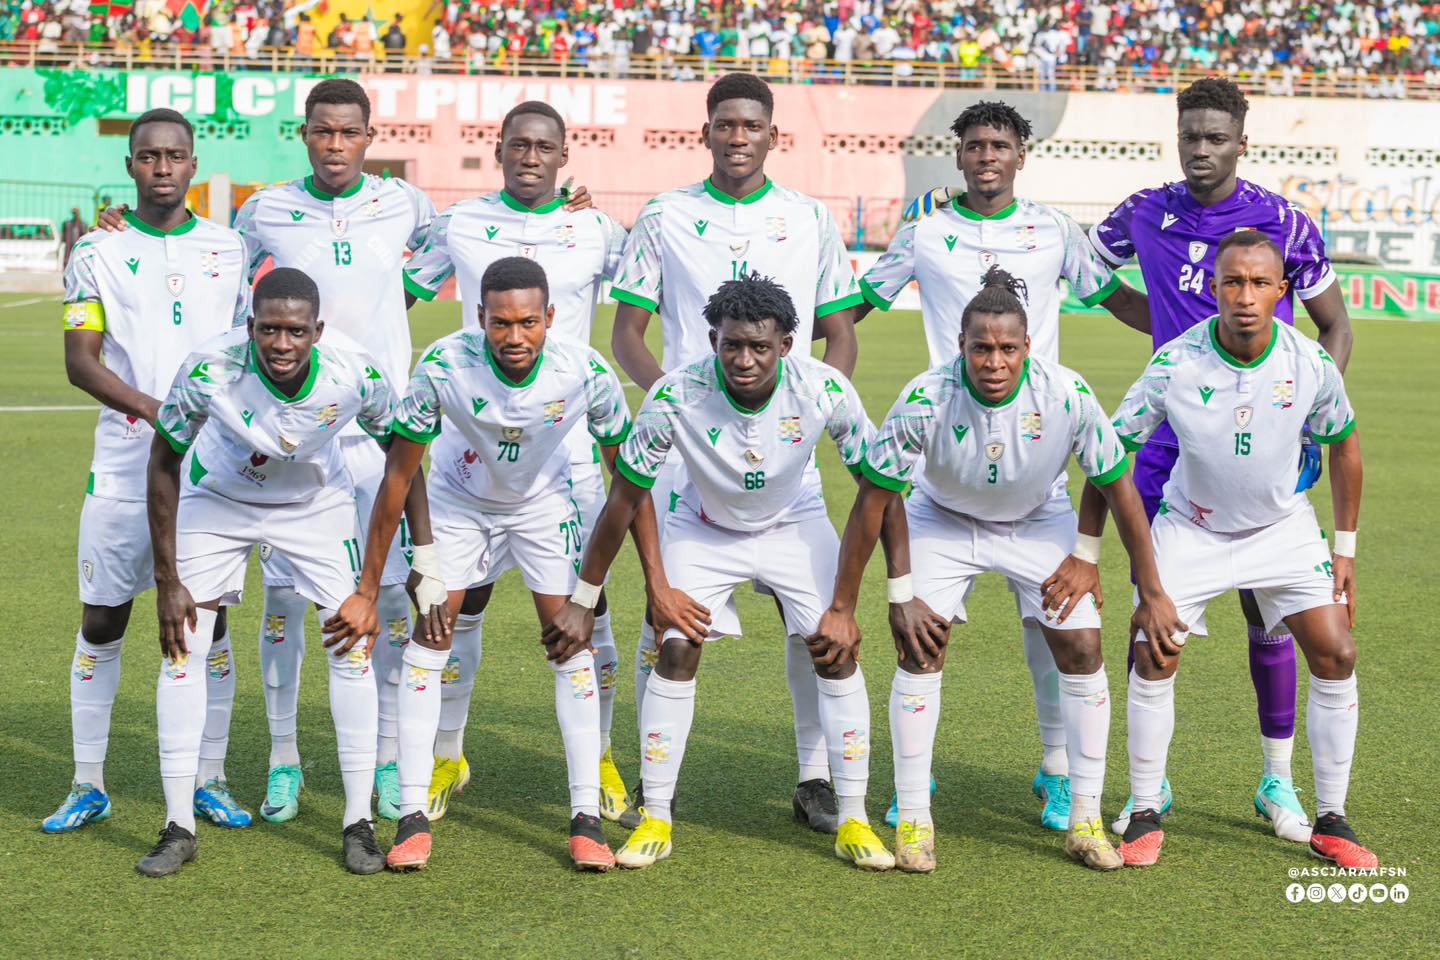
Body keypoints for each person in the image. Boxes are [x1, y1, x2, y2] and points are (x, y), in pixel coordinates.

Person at [819, 266, 1183, 872]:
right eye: (980, 348)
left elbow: (1118, 489)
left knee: (1083, 646)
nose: (993, 361)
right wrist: (862, 601)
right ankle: (914, 818)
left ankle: (1086, 819)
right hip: (942, 520)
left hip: (1039, 520)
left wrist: (1140, 586)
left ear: (1027, 347)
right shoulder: (924, 397)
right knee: (921, 647)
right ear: (959, 346)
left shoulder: (1066, 393)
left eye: (1007, 348)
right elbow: (872, 503)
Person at [327, 257, 679, 872]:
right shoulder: (443, 365)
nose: (513, 338)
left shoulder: (585, 372)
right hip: (460, 505)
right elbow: (399, 474)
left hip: (544, 508)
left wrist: (656, 582)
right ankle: (411, 815)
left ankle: (584, 819)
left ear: (550, 317)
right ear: (480, 318)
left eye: (526, 323)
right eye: (498, 324)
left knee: (571, 644)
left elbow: (631, 480)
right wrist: (412, 565)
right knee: (428, 641)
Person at [862, 100, 1149, 831]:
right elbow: (856, 303)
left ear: (1022, 154)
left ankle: (1058, 773)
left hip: (1035, 462)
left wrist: (1192, 327)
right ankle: (913, 789)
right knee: (924, 637)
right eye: (974, 144)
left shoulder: (1053, 231)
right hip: (946, 458)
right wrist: (789, 341)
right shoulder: (924, 231)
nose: (987, 155)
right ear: (956, 155)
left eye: (1001, 144)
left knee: (1059, 635)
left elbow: (1113, 295)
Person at [549, 273, 895, 872]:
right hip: (701, 525)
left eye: (760, 346)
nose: (744, 358)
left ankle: (856, 818)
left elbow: (880, 489)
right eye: (731, 344)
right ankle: (656, 811)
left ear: (787, 345)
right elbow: (626, 497)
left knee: (834, 650)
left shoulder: (823, 389)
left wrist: (862, 599)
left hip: (793, 523)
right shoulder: (676, 395)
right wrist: (616, 591)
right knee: (675, 647)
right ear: (713, 339)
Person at [1089, 77, 1354, 838]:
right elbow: (1088, 270)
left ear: (1242, 139)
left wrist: (1304, 420)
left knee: (1268, 611)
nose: (1201, 150)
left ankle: (1277, 782)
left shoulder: (1281, 222)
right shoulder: (1145, 210)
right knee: (1153, 615)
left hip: (1258, 436)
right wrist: (1149, 322)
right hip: (1169, 433)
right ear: (1177, 136)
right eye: (1190, 136)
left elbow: (1334, 328)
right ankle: (1149, 787)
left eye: (1216, 137)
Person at [609, 72, 863, 832]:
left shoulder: (809, 218)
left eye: (752, 125)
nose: (738, 136)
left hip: (785, 454)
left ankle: (815, 777)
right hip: (690, 461)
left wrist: (807, 412)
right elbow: (627, 333)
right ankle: (662, 781)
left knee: (812, 625)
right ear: (708, 131)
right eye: (725, 124)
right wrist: (683, 410)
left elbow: (840, 333)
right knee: (671, 621)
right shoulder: (666, 216)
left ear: (772, 135)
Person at [142, 267, 432, 877]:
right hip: (217, 502)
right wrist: (168, 580)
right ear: (250, 326)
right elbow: (163, 460)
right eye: (268, 330)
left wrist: (396, 573)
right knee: (181, 650)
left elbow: (404, 462)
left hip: (313, 507)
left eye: (295, 332)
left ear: (317, 331)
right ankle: (177, 826)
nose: (280, 344)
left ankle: (358, 824)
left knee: (351, 646)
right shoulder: (208, 369)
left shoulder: (357, 373)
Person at [1104, 231, 1375, 869]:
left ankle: (1332, 817)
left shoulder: (1310, 364)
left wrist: (1345, 549)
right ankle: (1146, 806)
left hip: (1281, 531)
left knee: (1337, 651)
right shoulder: (1176, 362)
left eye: (1259, 284)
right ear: (1214, 288)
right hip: (1191, 529)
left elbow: (1346, 446)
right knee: (1152, 650)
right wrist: (1091, 553)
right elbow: (1112, 452)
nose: (1245, 296)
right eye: (1232, 282)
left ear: (1282, 292)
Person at [402, 101, 633, 822]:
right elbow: (391, 288)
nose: (531, 156)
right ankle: (447, 753)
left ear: (565, 155)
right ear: (497, 149)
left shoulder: (599, 229)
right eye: (518, 145)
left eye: (545, 147)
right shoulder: (460, 223)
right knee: (458, 609)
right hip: (473, 455)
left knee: (588, 615)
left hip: (566, 461)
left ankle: (598, 760)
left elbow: (654, 295)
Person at [48, 108, 251, 835]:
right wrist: (156, 408)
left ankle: (211, 777)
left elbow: (254, 348)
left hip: (213, 468)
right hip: (125, 461)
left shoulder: (230, 248)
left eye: (174, 155)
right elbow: (80, 362)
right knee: (103, 618)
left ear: (194, 164)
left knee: (209, 624)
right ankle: (87, 781)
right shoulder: (95, 252)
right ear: (130, 166)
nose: (162, 167)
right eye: (148, 156)